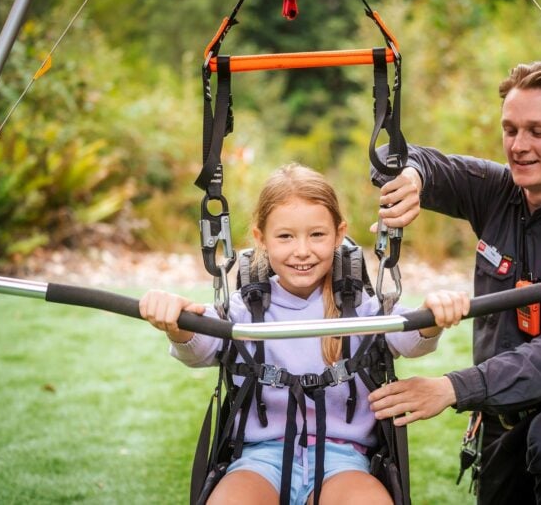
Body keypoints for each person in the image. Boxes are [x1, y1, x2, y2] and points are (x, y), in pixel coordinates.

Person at [367, 62, 541, 504]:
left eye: (537, 131)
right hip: (500, 415)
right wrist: (413, 176)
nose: (518, 146)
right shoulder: (498, 191)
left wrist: (452, 387)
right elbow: (402, 157)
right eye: (510, 129)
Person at [139, 163, 470, 505]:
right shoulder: (244, 308)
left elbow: (409, 338)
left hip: (343, 460)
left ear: (339, 235)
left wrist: (435, 317)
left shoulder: (359, 306)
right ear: (260, 239)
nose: (302, 251)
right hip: (258, 459)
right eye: (285, 236)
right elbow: (199, 348)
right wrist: (175, 325)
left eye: (317, 235)